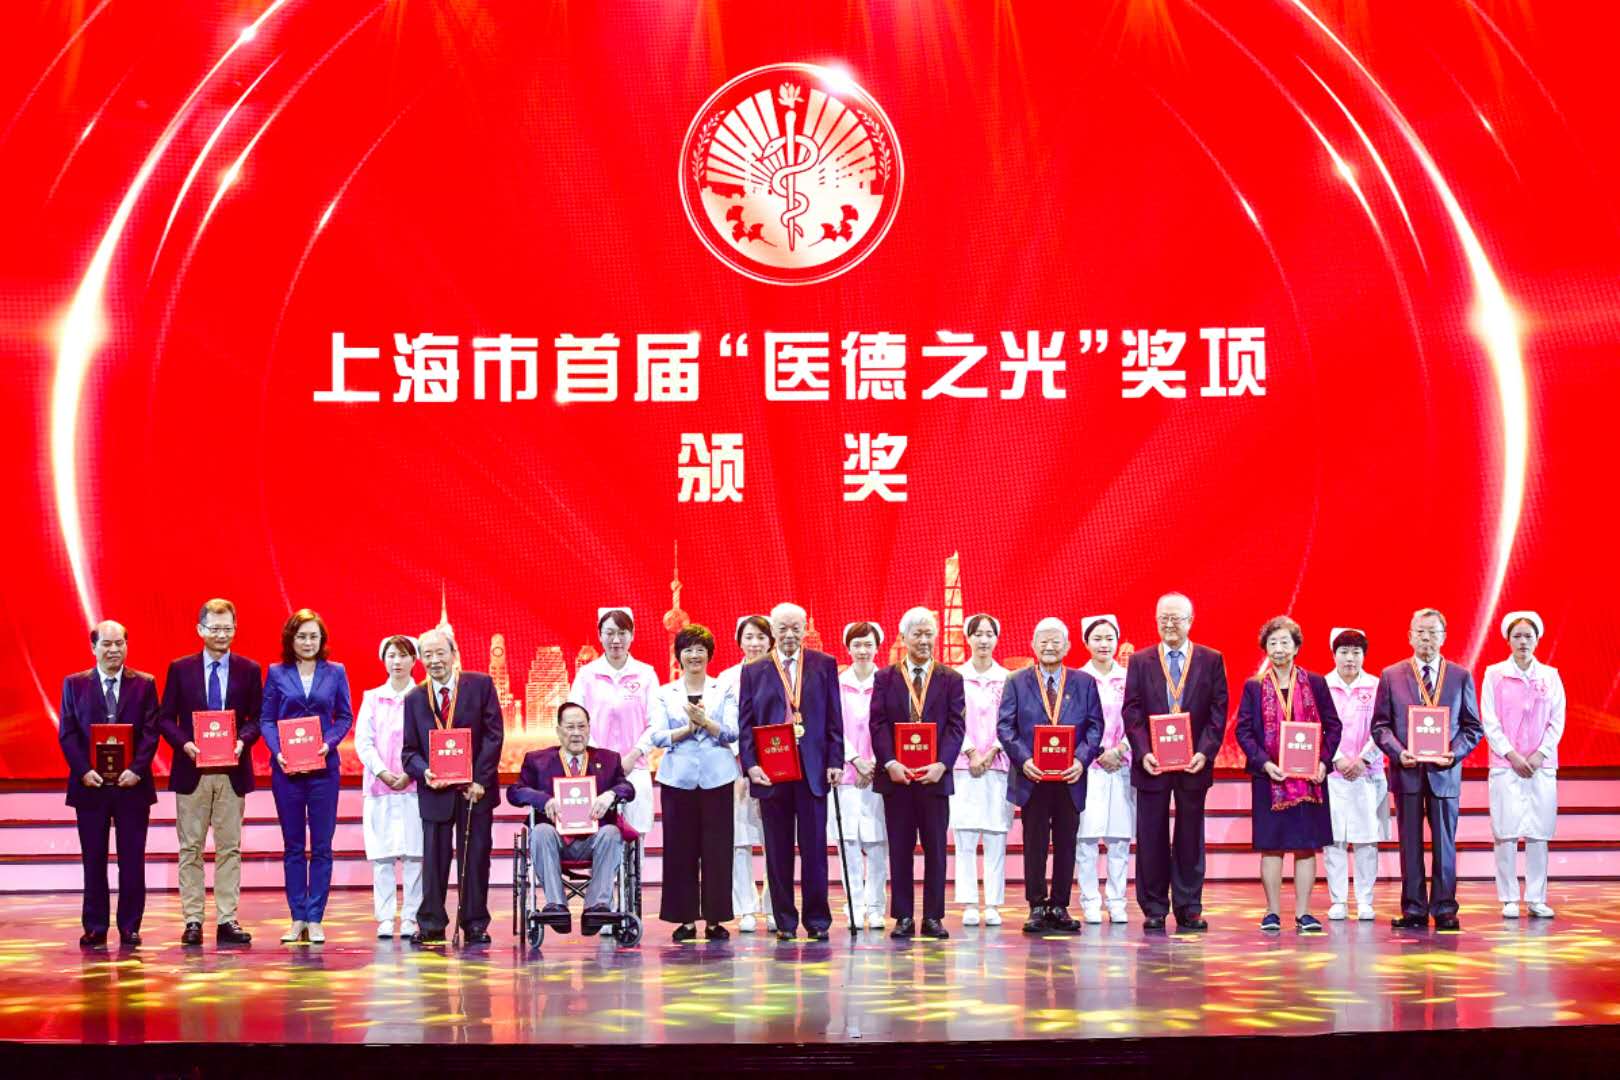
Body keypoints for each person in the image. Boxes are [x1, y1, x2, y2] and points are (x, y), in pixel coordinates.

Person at [1370, 607, 1484, 932]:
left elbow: (1473, 727)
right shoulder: (1391, 675)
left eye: (1433, 632)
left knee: (1445, 844)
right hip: (1406, 771)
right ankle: (1414, 910)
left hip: (1444, 773)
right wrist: (1398, 752)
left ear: (1444, 637)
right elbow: (1380, 726)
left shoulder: (1460, 676)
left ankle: (1445, 909)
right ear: (1409, 636)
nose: (1426, 638)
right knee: (1410, 844)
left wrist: (1454, 753)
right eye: (1420, 632)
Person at [156, 598, 261, 947]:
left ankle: (227, 919)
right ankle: (193, 920)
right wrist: (185, 744)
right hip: (192, 770)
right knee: (191, 848)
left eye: (227, 628)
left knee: (230, 848)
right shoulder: (180, 669)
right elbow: (165, 718)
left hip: (232, 770)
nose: (221, 634)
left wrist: (242, 741)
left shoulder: (249, 669)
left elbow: (258, 718)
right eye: (215, 628)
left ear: (235, 629)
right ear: (200, 629)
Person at [1122, 592, 1228, 933]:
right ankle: (1154, 907)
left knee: (1189, 834)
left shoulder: (1211, 659)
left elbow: (1218, 711)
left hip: (1193, 762)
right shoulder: (1140, 660)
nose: (1169, 624)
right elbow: (1132, 711)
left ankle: (1189, 906)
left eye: (1176, 618)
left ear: (1190, 621)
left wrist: (1204, 752)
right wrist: (1143, 752)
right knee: (1150, 834)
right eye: (1163, 618)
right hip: (1152, 763)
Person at [738, 602, 843, 941]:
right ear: (772, 631)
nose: (789, 635)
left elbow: (834, 718)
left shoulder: (823, 664)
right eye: (782, 628)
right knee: (778, 851)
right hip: (772, 772)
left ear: (804, 629)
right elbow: (746, 724)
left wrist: (835, 761)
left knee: (815, 850)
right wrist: (751, 765)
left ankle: (817, 921)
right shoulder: (754, 670)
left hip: (813, 770)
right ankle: (784, 921)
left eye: (795, 628)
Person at [997, 617, 1105, 934]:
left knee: (1067, 843)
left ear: (1068, 646)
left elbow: (1095, 727)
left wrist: (1081, 760)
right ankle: (1035, 905)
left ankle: (1059, 905)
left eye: (1056, 641)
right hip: (1032, 777)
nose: (1049, 646)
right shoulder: (1016, 681)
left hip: (1070, 777)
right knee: (1035, 843)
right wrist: (1024, 760)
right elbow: (1005, 727)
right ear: (1033, 645)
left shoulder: (1084, 682)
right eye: (1043, 641)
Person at [1234, 617, 1342, 933]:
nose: (1279, 648)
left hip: (1309, 781)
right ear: (1265, 648)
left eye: (1285, 642)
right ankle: (1272, 912)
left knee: (1306, 846)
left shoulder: (1316, 683)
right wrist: (1264, 763)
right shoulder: (1254, 686)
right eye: (1273, 643)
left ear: (1296, 647)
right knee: (1272, 846)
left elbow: (1333, 726)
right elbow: (1243, 730)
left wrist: (1323, 763)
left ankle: (1304, 913)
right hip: (1270, 779)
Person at [59, 621, 160, 949]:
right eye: (107, 644)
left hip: (133, 787)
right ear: (93, 648)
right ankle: (95, 926)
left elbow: (151, 732)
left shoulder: (144, 684)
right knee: (93, 860)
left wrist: (137, 769)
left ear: (127, 646)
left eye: (119, 643)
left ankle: (130, 926)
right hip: (90, 787)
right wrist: (84, 770)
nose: (114, 650)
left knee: (132, 861)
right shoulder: (74, 684)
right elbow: (68, 733)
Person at [401, 627, 503, 946]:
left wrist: (480, 780)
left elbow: (493, 736)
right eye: (427, 655)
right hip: (436, 791)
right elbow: (409, 752)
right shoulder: (415, 698)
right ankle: (431, 924)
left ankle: (474, 924)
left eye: (440, 653)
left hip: (475, 791)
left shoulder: (481, 685)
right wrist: (425, 771)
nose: (434, 660)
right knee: (434, 861)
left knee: (475, 858)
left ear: (454, 654)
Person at [870, 608, 966, 940]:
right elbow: (878, 724)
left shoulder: (950, 678)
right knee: (899, 848)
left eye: (929, 634)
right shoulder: (885, 678)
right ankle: (903, 917)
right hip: (897, 779)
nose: (924, 640)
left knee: (936, 849)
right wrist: (890, 762)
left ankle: (934, 917)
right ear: (904, 638)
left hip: (934, 778)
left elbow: (956, 726)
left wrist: (942, 764)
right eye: (917, 634)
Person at [259, 609, 353, 945]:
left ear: (322, 639)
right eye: (302, 636)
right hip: (287, 771)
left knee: (323, 845)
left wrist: (329, 743)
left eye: (314, 636)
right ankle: (297, 916)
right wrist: (277, 751)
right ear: (291, 639)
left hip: (324, 771)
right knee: (294, 846)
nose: (308, 642)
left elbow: (344, 717)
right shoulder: (276, 672)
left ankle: (315, 918)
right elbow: (266, 719)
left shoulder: (336, 671)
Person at [508, 702, 634, 934]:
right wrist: (543, 800)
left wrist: (610, 794)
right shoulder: (538, 760)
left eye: (581, 726)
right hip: (555, 840)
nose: (576, 733)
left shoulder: (608, 760)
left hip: (594, 840)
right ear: (558, 731)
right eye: (570, 727)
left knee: (611, 832)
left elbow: (627, 788)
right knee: (541, 831)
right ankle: (556, 906)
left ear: (589, 729)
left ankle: (597, 907)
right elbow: (515, 793)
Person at [649, 624, 737, 941]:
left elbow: (732, 732)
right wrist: (688, 729)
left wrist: (706, 723)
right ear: (679, 656)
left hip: (718, 778)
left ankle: (715, 919)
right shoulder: (664, 693)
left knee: (717, 849)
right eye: (688, 649)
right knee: (679, 849)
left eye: (700, 649)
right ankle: (684, 919)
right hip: (678, 779)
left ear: (709, 654)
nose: (694, 655)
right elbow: (658, 736)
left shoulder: (723, 689)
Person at [1481, 611, 1565, 919]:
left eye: (1528, 636)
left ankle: (1536, 898)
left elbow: (1557, 720)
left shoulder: (1550, 676)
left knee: (1538, 832)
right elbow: (1489, 720)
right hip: (1506, 765)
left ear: (1537, 640)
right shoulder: (1494, 674)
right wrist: (1511, 754)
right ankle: (1508, 898)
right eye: (1517, 636)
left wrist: (1540, 754)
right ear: (1508, 640)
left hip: (1541, 766)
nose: (1523, 642)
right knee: (1505, 832)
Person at [354, 635, 425, 939]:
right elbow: (363, 741)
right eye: (391, 655)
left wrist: (410, 773)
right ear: (384, 660)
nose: (397, 662)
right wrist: (382, 772)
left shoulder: (422, 696)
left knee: (414, 856)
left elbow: (428, 739)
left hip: (414, 787)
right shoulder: (372, 697)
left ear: (414, 660)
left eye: (403, 655)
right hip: (379, 788)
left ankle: (410, 917)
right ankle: (385, 918)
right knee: (382, 857)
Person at [568, 609, 658, 843]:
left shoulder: (646, 674)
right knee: (598, 838)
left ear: (632, 635)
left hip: (634, 768)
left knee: (636, 837)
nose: (616, 640)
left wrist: (633, 755)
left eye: (622, 633)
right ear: (600, 635)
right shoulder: (586, 675)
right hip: (594, 769)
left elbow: (656, 723)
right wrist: (601, 758)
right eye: (609, 633)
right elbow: (574, 722)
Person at [951, 614, 1011, 927]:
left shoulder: (1008, 678)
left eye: (989, 634)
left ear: (997, 638)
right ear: (968, 638)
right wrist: (972, 751)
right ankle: (970, 903)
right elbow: (952, 720)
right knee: (965, 836)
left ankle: (993, 904)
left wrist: (994, 751)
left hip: (999, 765)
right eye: (978, 634)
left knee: (996, 837)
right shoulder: (955, 677)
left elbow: (1013, 719)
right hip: (964, 767)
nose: (983, 640)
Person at [1323, 627, 1387, 921]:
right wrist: (1336, 758)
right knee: (1334, 840)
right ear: (1334, 654)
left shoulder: (1376, 685)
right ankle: (1338, 900)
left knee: (1366, 840)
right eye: (1344, 652)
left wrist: (1364, 759)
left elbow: (1384, 726)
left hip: (1367, 774)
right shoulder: (1323, 686)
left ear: (1364, 655)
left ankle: (1364, 901)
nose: (1350, 658)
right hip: (1333, 774)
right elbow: (1319, 726)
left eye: (1356, 652)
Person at [1075, 614, 1133, 925]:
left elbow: (1137, 720)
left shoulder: (1129, 678)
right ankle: (1090, 901)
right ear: (1085, 642)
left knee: (1119, 839)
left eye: (1109, 638)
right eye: (1097, 638)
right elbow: (1073, 723)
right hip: (1088, 767)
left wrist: (1120, 749)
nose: (1104, 644)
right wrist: (1097, 753)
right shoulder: (1077, 678)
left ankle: (1117, 901)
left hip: (1122, 765)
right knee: (1086, 840)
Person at [833, 621, 890, 931]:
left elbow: (891, 726)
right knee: (849, 843)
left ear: (877, 647)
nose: (863, 650)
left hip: (880, 775)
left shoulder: (888, 682)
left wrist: (874, 764)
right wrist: (855, 759)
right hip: (845, 775)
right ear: (848, 648)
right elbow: (833, 727)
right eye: (857, 644)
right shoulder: (836, 684)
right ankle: (854, 906)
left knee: (878, 843)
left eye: (868, 644)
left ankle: (876, 906)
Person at [718, 615, 773, 932]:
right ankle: (746, 908)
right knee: (740, 842)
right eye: (749, 637)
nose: (754, 643)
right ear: (739, 641)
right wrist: (744, 762)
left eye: (761, 637)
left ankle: (774, 905)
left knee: (774, 840)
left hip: (774, 768)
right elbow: (726, 725)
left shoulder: (781, 674)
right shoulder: (726, 679)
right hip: (737, 769)